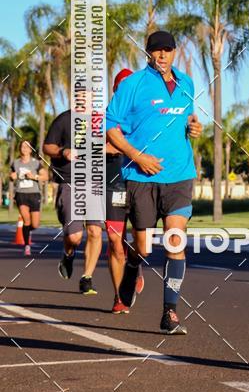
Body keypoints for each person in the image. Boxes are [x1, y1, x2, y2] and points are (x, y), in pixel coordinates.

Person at [105, 30, 202, 334]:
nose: (162, 56)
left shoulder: (186, 83)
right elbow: (110, 126)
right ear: (148, 53)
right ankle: (133, 268)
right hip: (140, 177)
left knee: (175, 239)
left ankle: (170, 312)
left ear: (174, 53)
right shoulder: (132, 84)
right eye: (156, 51)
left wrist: (193, 126)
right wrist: (137, 156)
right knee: (143, 247)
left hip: (179, 175)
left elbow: (187, 117)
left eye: (167, 50)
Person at [43, 106, 103, 294]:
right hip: (70, 182)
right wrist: (63, 152)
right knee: (74, 237)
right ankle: (68, 254)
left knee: (94, 230)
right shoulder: (64, 119)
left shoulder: (100, 120)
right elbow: (47, 147)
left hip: (94, 181)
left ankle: (87, 277)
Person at [105, 68, 138, 314]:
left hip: (140, 184)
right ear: (116, 90)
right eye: (121, 86)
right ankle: (119, 296)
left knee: (140, 242)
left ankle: (134, 267)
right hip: (113, 185)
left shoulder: (144, 113)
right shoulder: (104, 117)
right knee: (116, 242)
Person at [10, 140, 48, 255]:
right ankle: (27, 246)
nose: (24, 149)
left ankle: (27, 231)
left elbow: (45, 176)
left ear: (31, 150)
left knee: (35, 224)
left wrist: (34, 176)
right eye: (22, 146)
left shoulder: (35, 163)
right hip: (21, 194)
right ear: (20, 149)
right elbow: (11, 177)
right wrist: (12, 177)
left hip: (34, 194)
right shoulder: (15, 163)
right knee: (26, 220)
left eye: (27, 147)